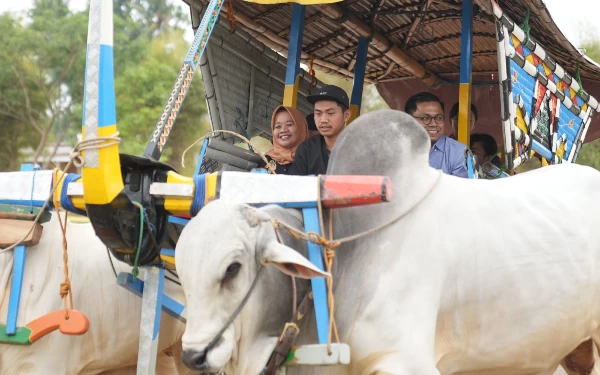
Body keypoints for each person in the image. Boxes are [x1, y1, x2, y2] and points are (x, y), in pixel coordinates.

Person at [289, 85, 351, 175]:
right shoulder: (306, 149)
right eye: (318, 114)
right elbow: (298, 186)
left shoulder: (361, 148)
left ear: (346, 115)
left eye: (330, 113)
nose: (323, 120)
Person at [404, 92, 468, 178]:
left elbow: (459, 189)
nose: (434, 124)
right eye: (426, 118)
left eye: (439, 118)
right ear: (409, 121)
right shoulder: (396, 150)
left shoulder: (459, 152)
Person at [262, 105, 309, 174]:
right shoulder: (266, 160)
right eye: (278, 126)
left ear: (301, 128)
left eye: (289, 125)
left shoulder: (313, 159)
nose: (283, 130)